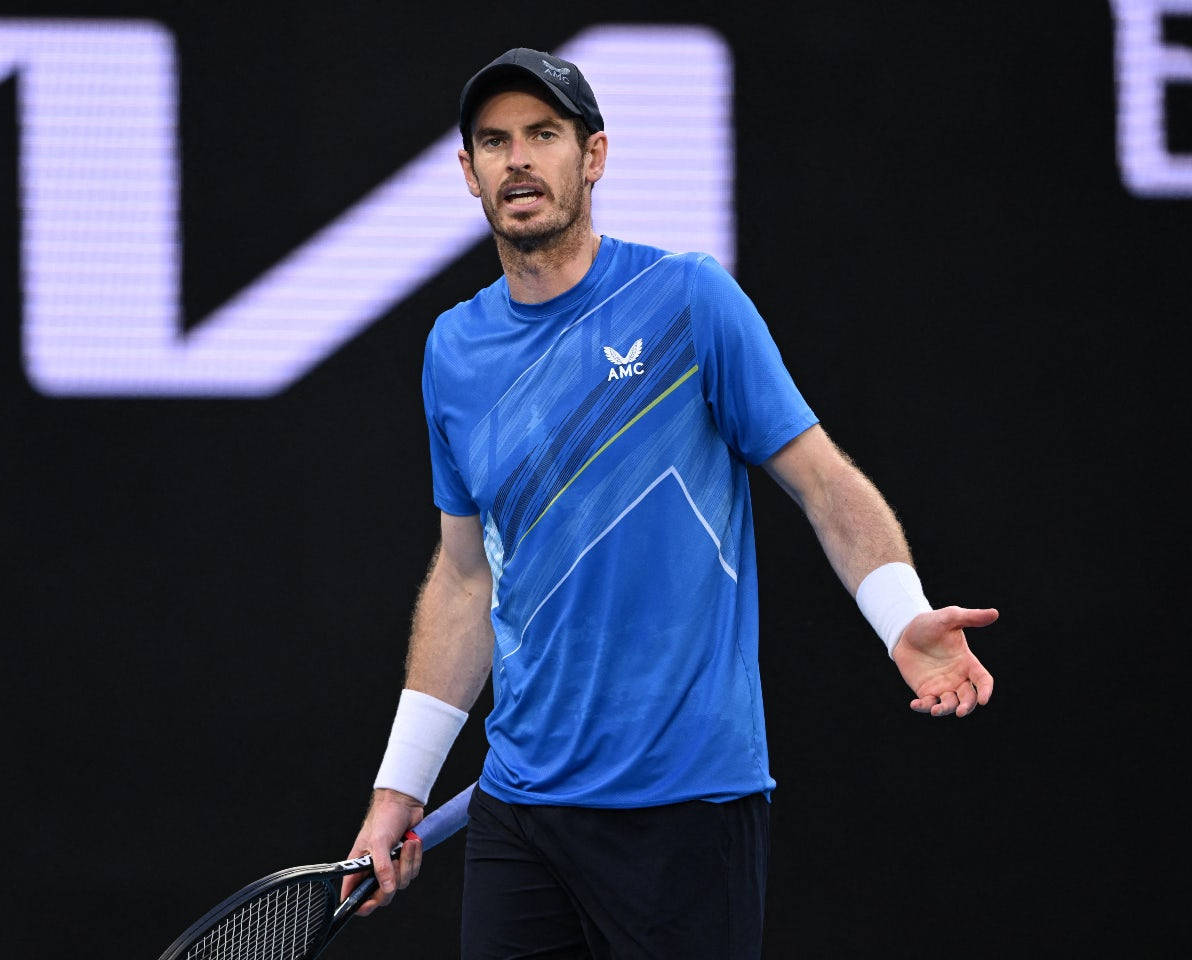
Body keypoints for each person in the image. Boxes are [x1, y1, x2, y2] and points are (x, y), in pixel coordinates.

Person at [341, 47, 997, 958]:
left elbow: (823, 481)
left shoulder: (687, 299)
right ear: (468, 172)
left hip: (686, 810)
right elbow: (463, 579)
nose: (518, 159)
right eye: (494, 141)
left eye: (544, 135)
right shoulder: (452, 350)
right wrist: (397, 794)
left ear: (593, 156)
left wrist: (902, 616)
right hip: (520, 811)